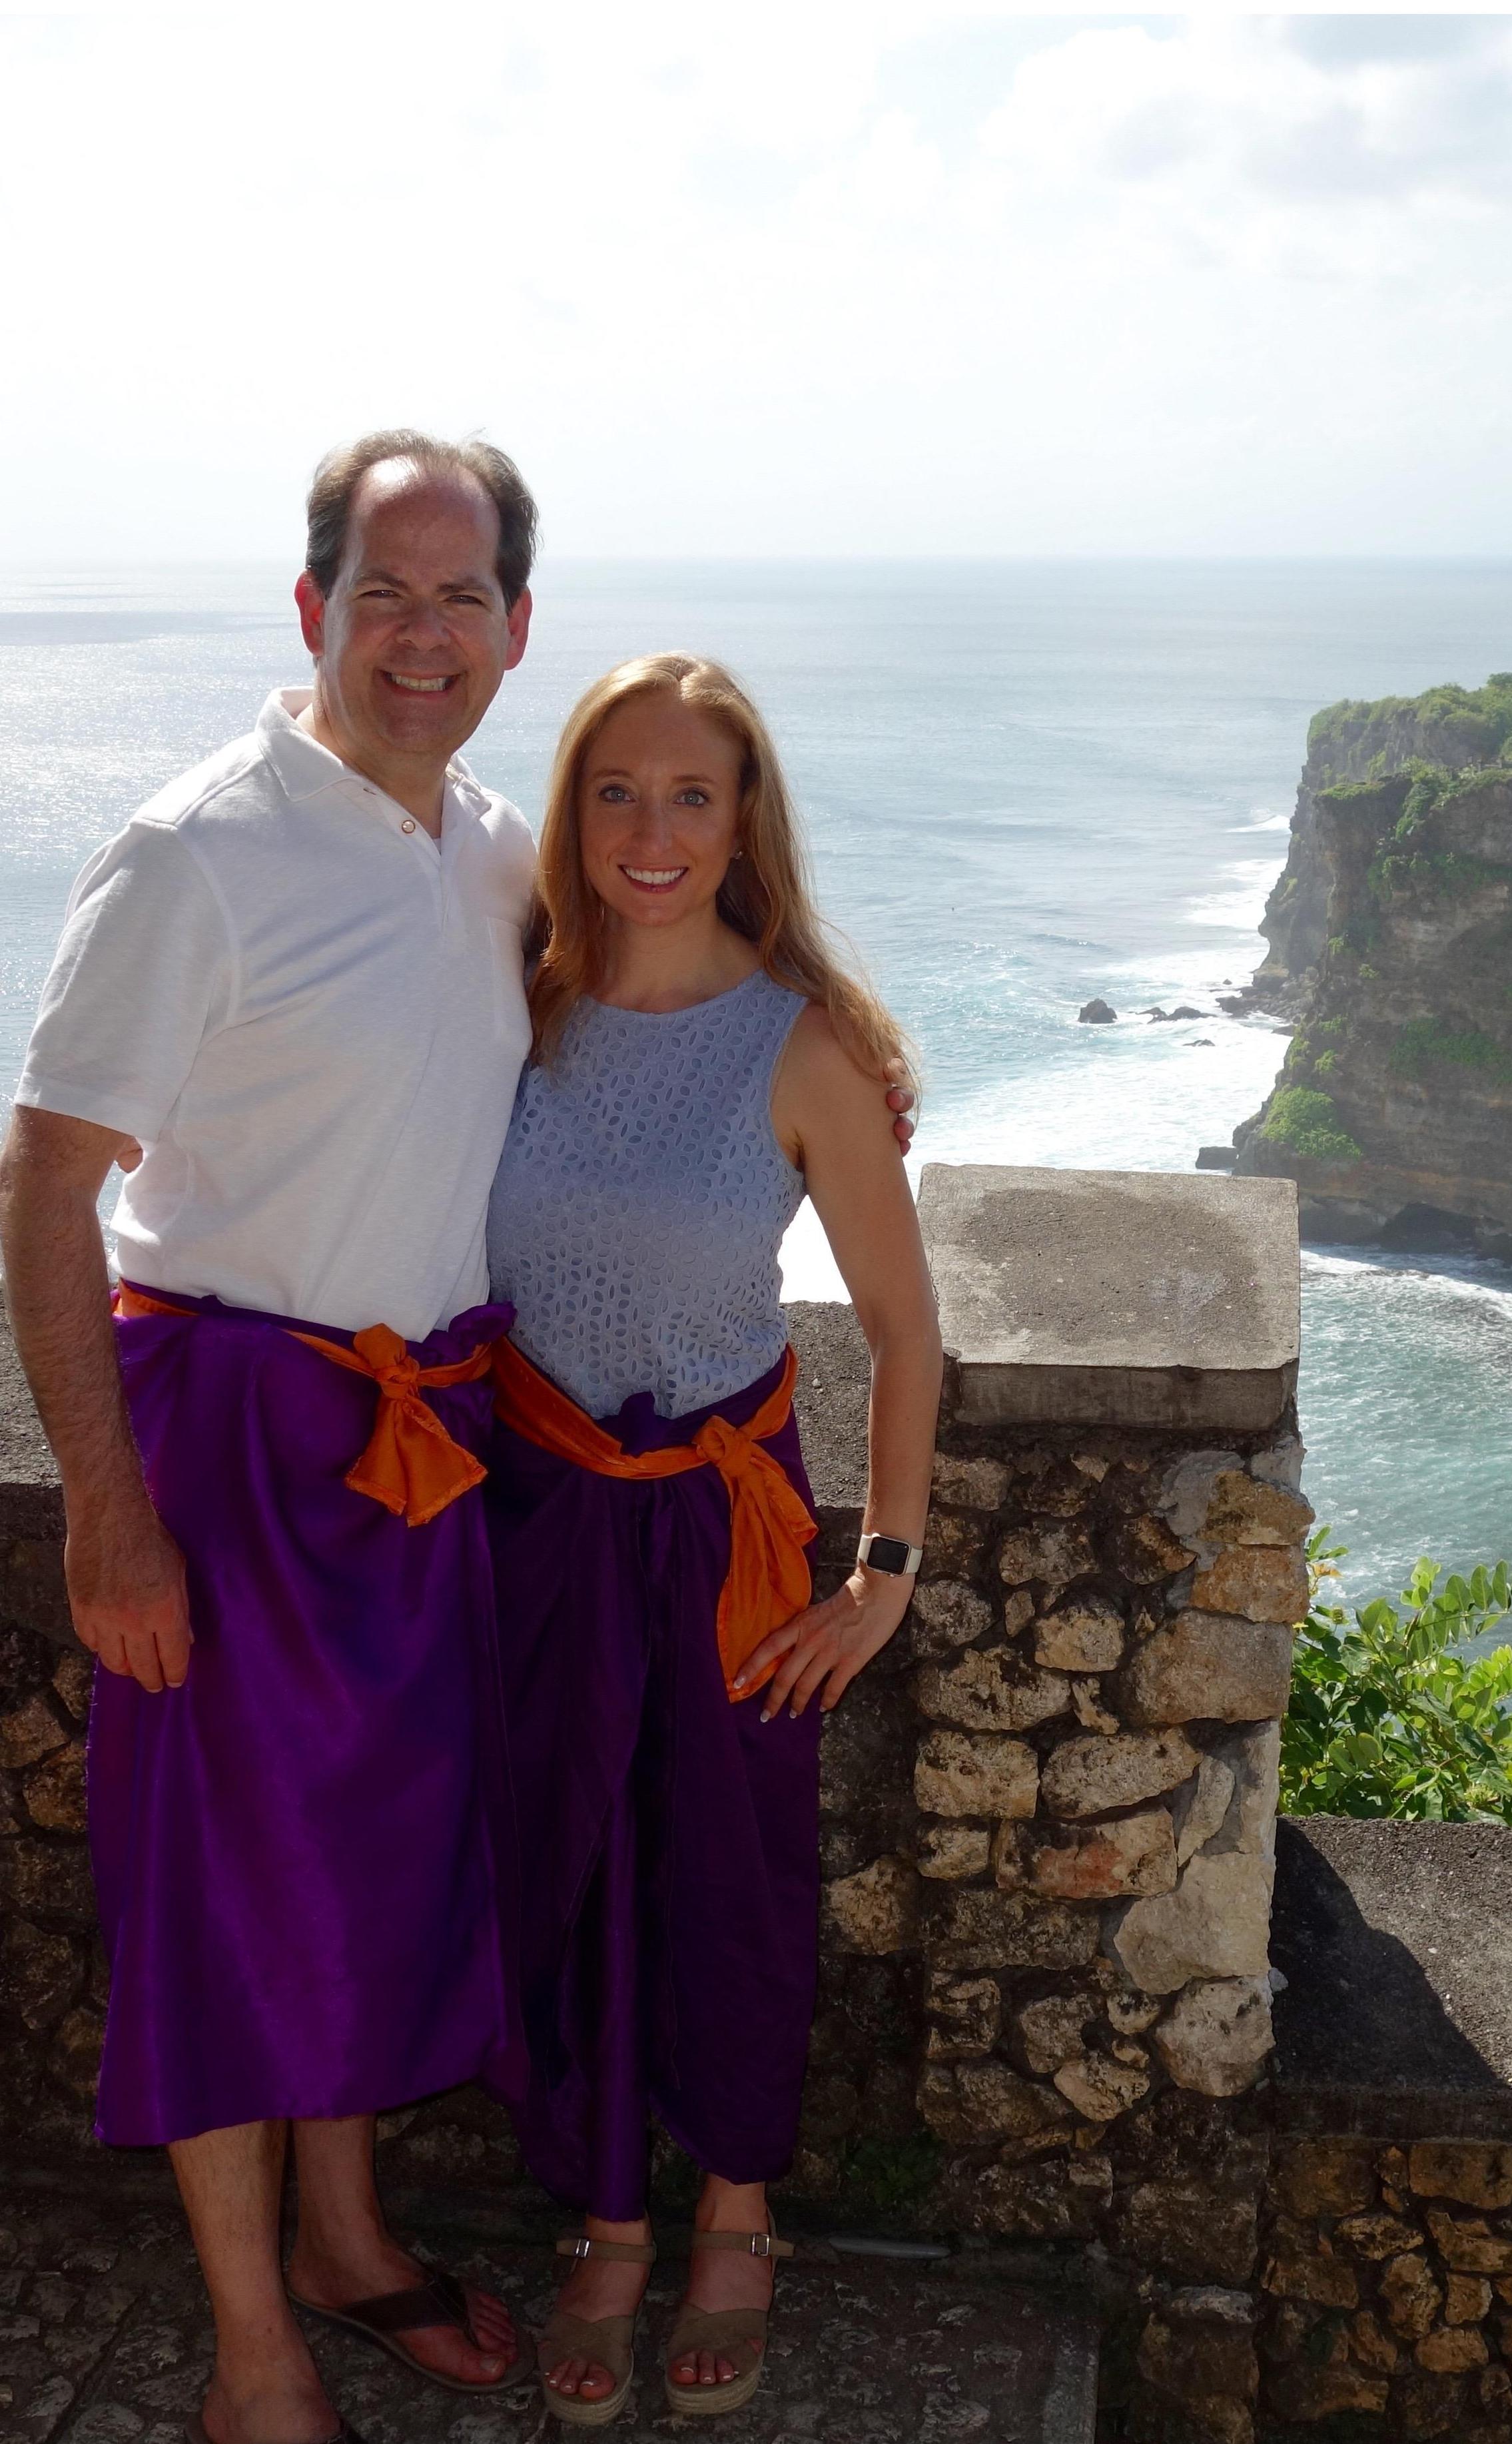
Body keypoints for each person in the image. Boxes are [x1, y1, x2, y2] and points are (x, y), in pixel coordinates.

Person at [0, 432, 923, 2444]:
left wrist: (832, 1064)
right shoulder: (191, 851)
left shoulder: (501, 850)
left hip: (435, 1449)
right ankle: (257, 2357)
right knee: (221, 1896)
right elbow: (47, 1178)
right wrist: (108, 1513)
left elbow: (659, 1011)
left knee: (368, 1873)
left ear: (520, 629)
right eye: (385, 592)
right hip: (234, 1431)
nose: (424, 635)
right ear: (313, 605)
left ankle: (350, 2239)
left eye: (464, 597)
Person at [477, 653, 941, 2424]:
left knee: (732, 1879)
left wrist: (883, 1576)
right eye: (615, 791)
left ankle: (735, 2211)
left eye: (691, 794)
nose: (651, 830)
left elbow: (906, 1330)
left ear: (745, 819)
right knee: (564, 1865)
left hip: (723, 1530)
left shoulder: (801, 1046)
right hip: (534, 1516)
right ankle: (607, 2218)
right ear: (572, 815)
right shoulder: (515, 1005)